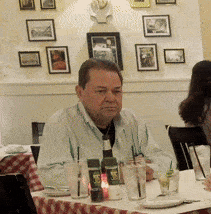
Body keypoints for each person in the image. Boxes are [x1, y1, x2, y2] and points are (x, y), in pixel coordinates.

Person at [38, 59, 174, 188]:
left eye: (117, 91)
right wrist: (113, 175)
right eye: (101, 91)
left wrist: (146, 169)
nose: (111, 98)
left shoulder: (132, 121)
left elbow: (168, 162)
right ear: (80, 92)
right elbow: (49, 176)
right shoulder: (61, 123)